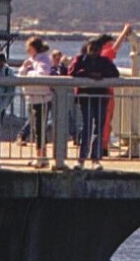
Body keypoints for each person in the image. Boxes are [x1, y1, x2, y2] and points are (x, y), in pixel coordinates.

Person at [70, 23, 133, 164]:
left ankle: (93, 156)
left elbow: (114, 73)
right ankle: (90, 155)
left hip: (98, 96)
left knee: (98, 126)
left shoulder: (102, 60)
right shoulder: (91, 58)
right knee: (93, 126)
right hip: (95, 95)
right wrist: (91, 75)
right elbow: (73, 71)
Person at [17, 33, 56, 160]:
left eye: (29, 47)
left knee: (40, 128)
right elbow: (20, 75)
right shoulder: (32, 60)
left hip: (42, 98)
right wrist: (24, 68)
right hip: (32, 97)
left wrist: (28, 72)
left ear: (34, 47)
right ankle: (39, 155)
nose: (27, 50)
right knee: (36, 128)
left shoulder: (43, 59)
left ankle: (41, 157)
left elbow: (42, 74)